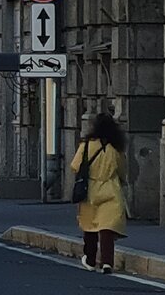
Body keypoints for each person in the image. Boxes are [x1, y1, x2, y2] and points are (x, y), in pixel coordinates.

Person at [70, 113, 127, 274]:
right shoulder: (116, 148)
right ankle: (107, 262)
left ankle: (90, 259)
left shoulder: (87, 145)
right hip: (111, 189)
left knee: (90, 226)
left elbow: (75, 165)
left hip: (91, 190)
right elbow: (122, 171)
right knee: (107, 227)